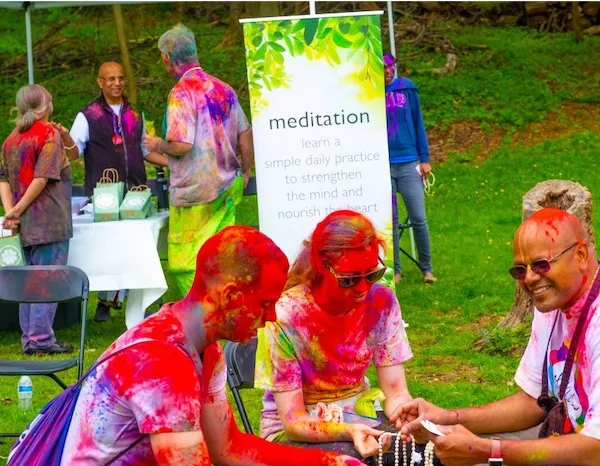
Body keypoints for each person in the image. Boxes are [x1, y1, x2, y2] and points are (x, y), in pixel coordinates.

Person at [391, 208, 600, 466]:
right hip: (592, 440)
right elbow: (532, 403)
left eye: (540, 264)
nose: (530, 278)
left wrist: (489, 451)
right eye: (519, 270)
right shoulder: (554, 301)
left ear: (580, 256)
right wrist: (448, 417)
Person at [60, 225, 364, 466]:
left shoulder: (204, 350)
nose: (271, 317)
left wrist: (331, 460)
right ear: (230, 297)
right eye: (265, 304)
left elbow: (228, 449)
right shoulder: (164, 362)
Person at [255, 210, 416, 462]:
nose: (363, 288)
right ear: (321, 268)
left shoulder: (382, 302)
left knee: (418, 451)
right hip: (294, 433)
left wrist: (403, 416)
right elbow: (292, 421)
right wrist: (348, 430)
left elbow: (396, 391)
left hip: (361, 416)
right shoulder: (285, 315)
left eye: (372, 275)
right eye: (349, 279)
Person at [51, 61, 168, 323]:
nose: (116, 83)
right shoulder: (88, 115)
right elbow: (74, 153)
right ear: (100, 82)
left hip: (137, 191)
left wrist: (176, 163)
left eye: (120, 78)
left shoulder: (136, 114)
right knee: (109, 249)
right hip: (104, 194)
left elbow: (146, 151)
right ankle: (104, 301)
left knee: (138, 248)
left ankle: (139, 303)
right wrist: (66, 139)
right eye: (110, 79)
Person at [143, 24, 254, 297]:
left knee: (186, 262)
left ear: (167, 58)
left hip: (195, 192)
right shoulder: (224, 89)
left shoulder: (182, 93)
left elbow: (181, 145)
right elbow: (245, 132)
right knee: (222, 257)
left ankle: (203, 318)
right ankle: (229, 312)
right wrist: (247, 170)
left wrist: (157, 144)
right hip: (228, 185)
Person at [0, 85, 74, 355]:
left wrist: (11, 212)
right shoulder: (48, 134)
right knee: (46, 279)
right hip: (49, 220)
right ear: (46, 106)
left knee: (27, 281)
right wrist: (16, 210)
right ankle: (41, 338)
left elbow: (3, 179)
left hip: (24, 224)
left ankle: (30, 339)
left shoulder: (11, 139)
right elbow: (41, 179)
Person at [384, 51, 436, 285]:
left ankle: (427, 269)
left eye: (389, 66)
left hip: (409, 164)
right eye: (381, 67)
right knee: (390, 222)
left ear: (395, 66)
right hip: (383, 166)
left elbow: (418, 123)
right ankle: (396, 269)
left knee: (418, 217)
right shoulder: (369, 94)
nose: (386, 71)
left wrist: (423, 158)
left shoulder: (407, 88)